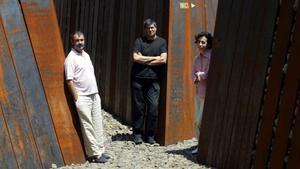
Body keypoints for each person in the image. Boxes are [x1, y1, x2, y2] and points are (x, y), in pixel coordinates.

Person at [64, 31, 110, 163]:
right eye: (77, 40)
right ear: (72, 42)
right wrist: (77, 98)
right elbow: (69, 80)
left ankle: (101, 150)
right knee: (87, 126)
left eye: (82, 40)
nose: (80, 42)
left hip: (94, 95)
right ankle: (94, 154)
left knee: (97, 123)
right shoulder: (70, 58)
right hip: (82, 97)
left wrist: (96, 94)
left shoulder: (86, 55)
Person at [131, 19, 167, 144]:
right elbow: (135, 58)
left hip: (154, 80)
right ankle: (137, 134)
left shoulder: (162, 42)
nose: (150, 30)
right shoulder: (139, 41)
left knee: (153, 108)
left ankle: (150, 135)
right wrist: (154, 58)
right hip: (138, 78)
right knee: (139, 107)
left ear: (156, 28)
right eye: (148, 28)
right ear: (145, 29)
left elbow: (163, 60)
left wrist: (143, 59)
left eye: (152, 28)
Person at [192, 32, 213, 154]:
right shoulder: (197, 58)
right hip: (198, 92)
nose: (200, 44)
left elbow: (209, 73)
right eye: (199, 42)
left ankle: (203, 146)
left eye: (203, 42)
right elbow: (193, 73)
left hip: (207, 93)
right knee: (197, 121)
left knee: (200, 121)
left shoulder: (210, 57)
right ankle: (200, 145)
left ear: (208, 43)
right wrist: (196, 76)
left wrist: (200, 75)